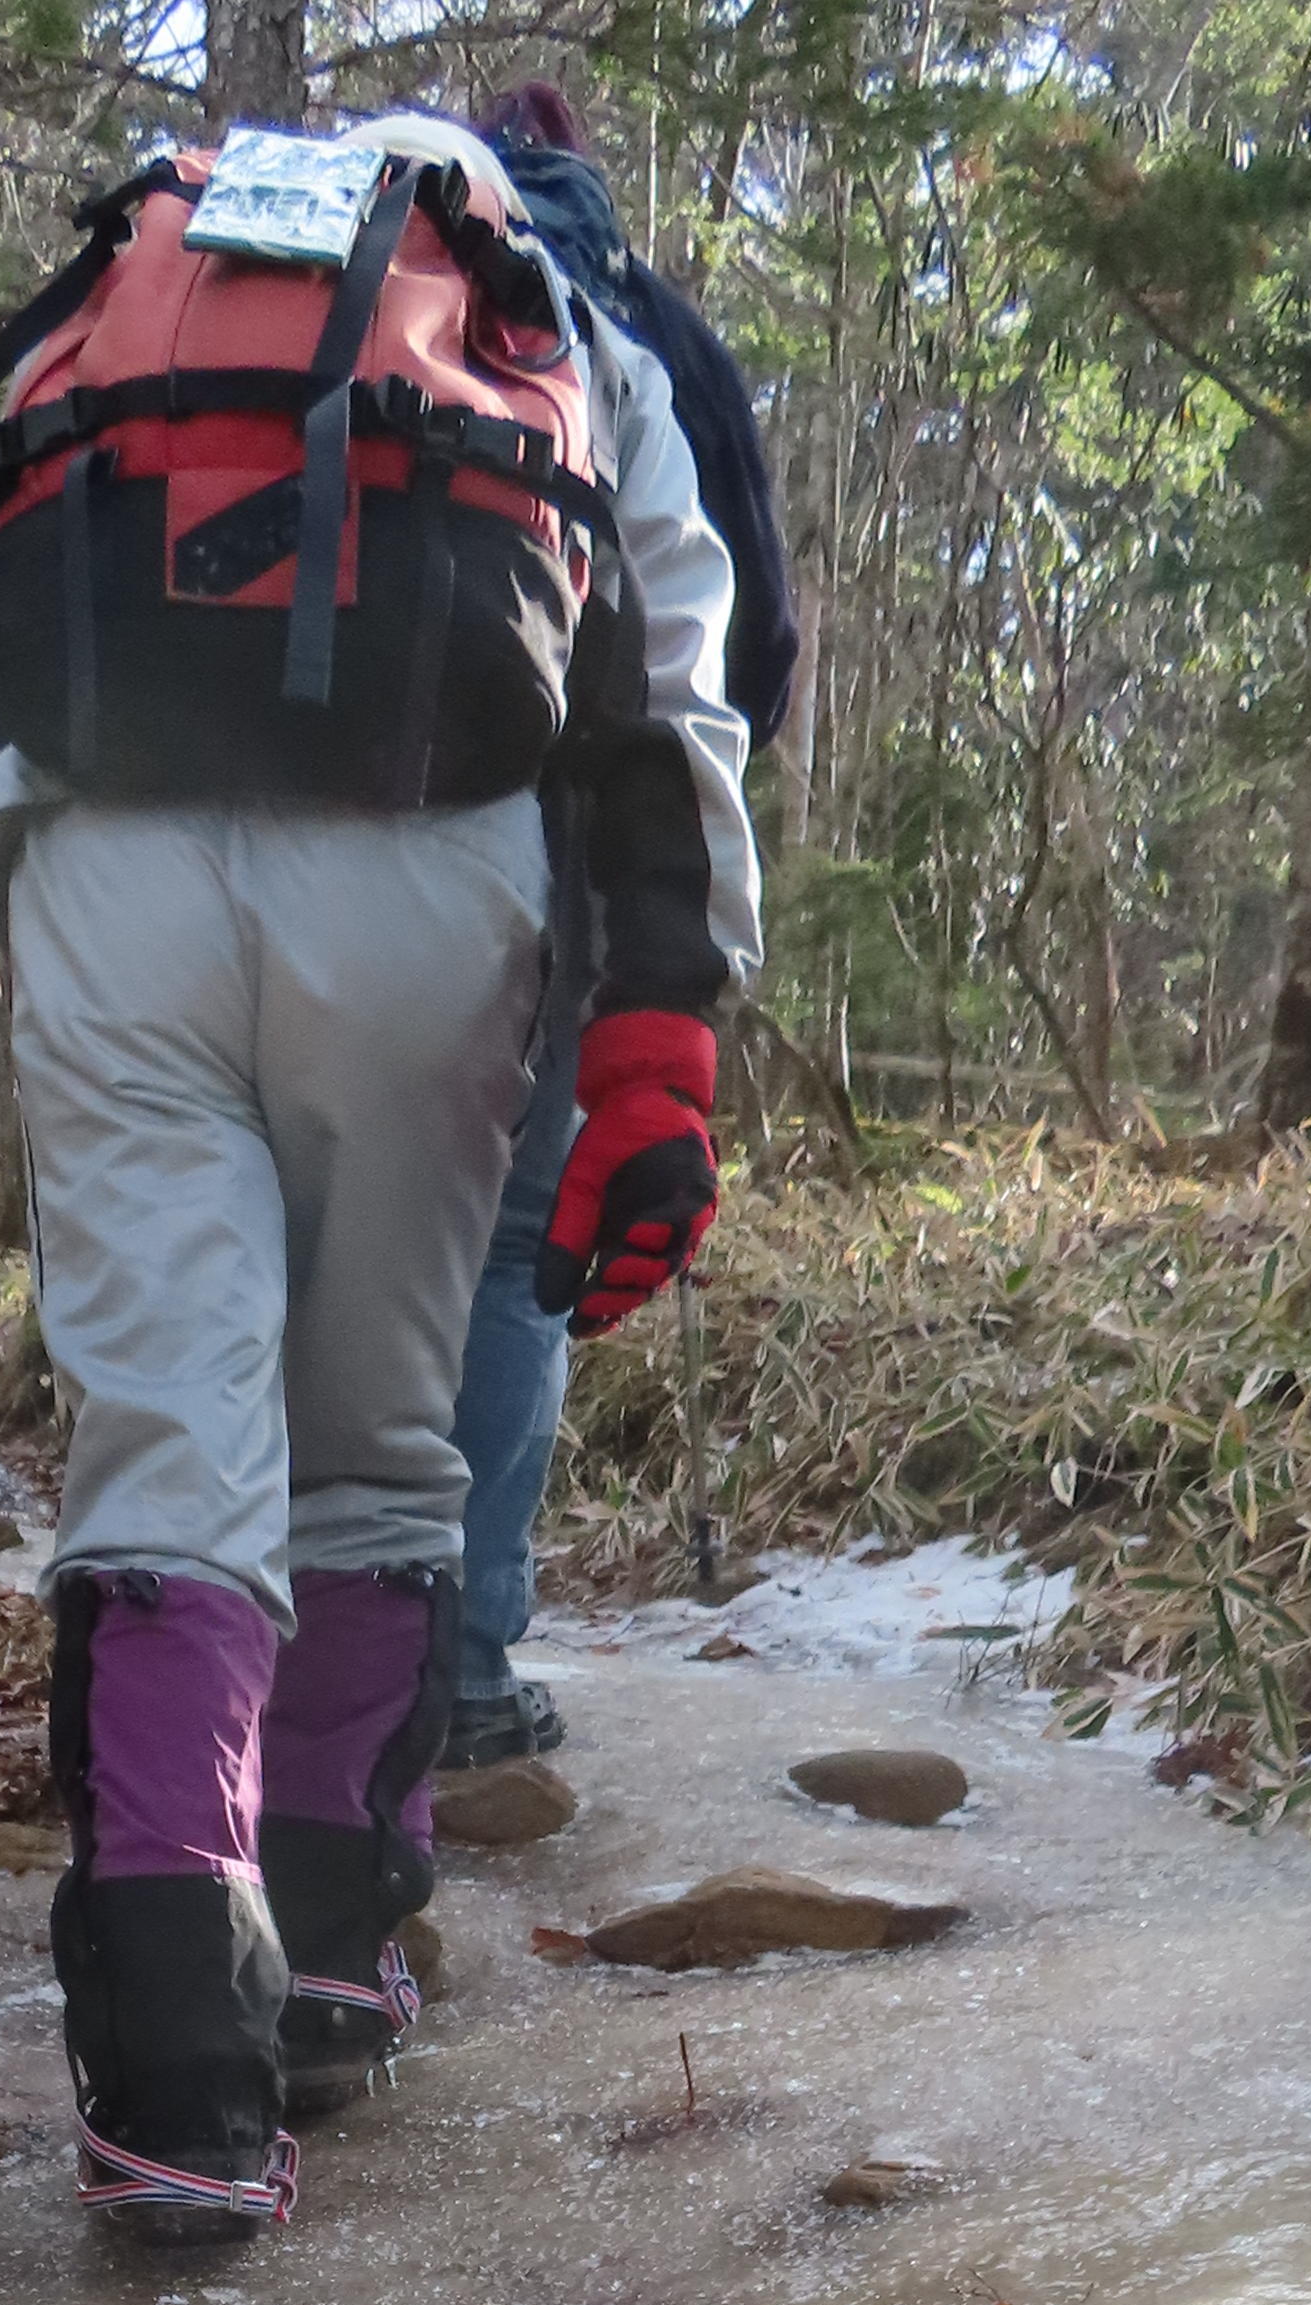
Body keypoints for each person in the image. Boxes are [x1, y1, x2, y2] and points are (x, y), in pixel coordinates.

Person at [0, 105, 761, 2241]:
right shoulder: (545, 311)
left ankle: (172, 2094)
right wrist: (663, 1026)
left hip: (104, 868)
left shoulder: (164, 267)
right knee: (380, 1443)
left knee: (167, 1433)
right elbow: (674, 664)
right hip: (427, 880)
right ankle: (317, 1961)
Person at [447, 85, 799, 1763]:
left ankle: (252, 1680)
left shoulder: (361, 287)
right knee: (515, 1247)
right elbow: (740, 634)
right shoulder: (634, 337)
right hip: (569, 834)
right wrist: (685, 906)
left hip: (260, 823)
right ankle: (458, 1672)